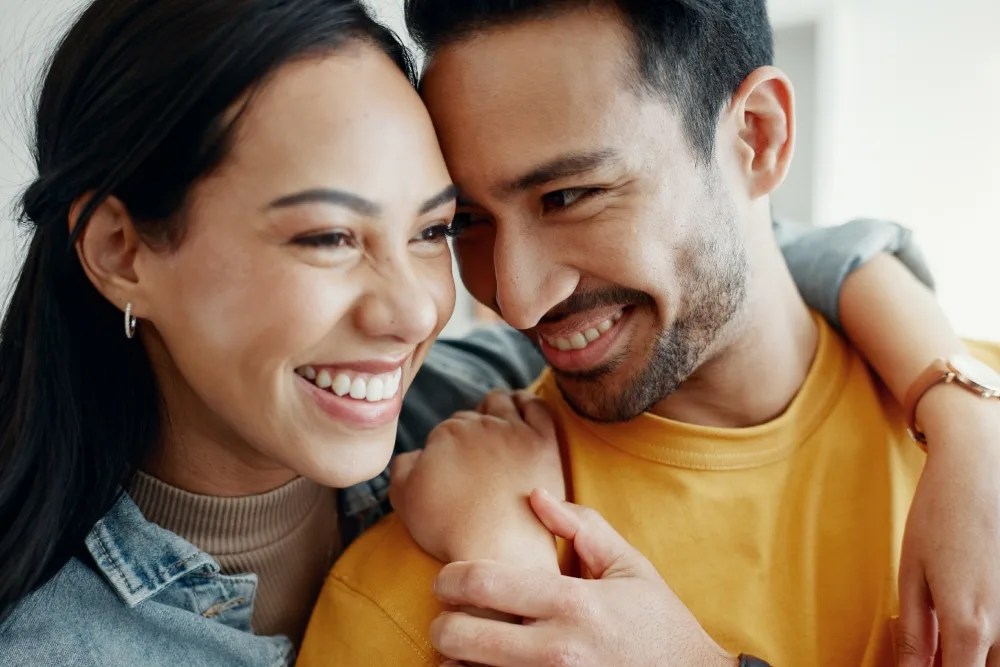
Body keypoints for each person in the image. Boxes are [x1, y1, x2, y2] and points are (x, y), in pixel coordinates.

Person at [0, 1, 980, 666]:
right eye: (330, 235)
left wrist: (962, 409)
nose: (501, 298)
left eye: (431, 229)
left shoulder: (472, 394)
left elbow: (753, 260)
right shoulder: (61, 645)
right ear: (123, 251)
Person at [298, 1, 1000, 666]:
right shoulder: (445, 582)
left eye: (568, 197)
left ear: (757, 137)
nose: (515, 300)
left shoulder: (978, 448)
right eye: (469, 222)